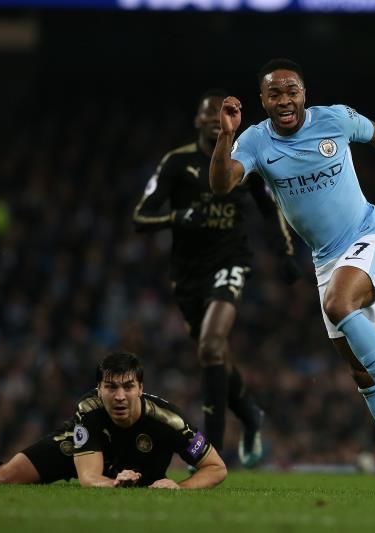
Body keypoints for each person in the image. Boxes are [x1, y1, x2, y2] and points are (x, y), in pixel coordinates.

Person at [209, 58, 375, 495]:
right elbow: (223, 185)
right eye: (275, 94)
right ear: (262, 100)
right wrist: (225, 136)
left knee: (339, 305)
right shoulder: (253, 141)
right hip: (326, 261)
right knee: (360, 374)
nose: (285, 100)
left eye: (291, 91)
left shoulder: (335, 120)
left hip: (370, 237)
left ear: (305, 93)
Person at [133, 89, 300, 467]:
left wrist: (287, 253)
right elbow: (140, 217)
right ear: (197, 121)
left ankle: (211, 453)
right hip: (188, 274)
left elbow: (269, 208)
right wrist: (176, 218)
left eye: (220, 112)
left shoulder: (243, 161)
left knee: (210, 344)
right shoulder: (177, 164)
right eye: (207, 112)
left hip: (231, 261)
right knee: (215, 355)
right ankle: (250, 414)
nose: (213, 118)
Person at [0, 352, 227, 488]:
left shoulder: (170, 421)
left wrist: (178, 487)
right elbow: (90, 477)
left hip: (127, 470)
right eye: (111, 387)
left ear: (140, 388)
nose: (120, 396)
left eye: (128, 387)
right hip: (80, 454)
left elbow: (216, 468)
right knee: (1, 479)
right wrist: (116, 483)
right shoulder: (89, 409)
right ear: (99, 389)